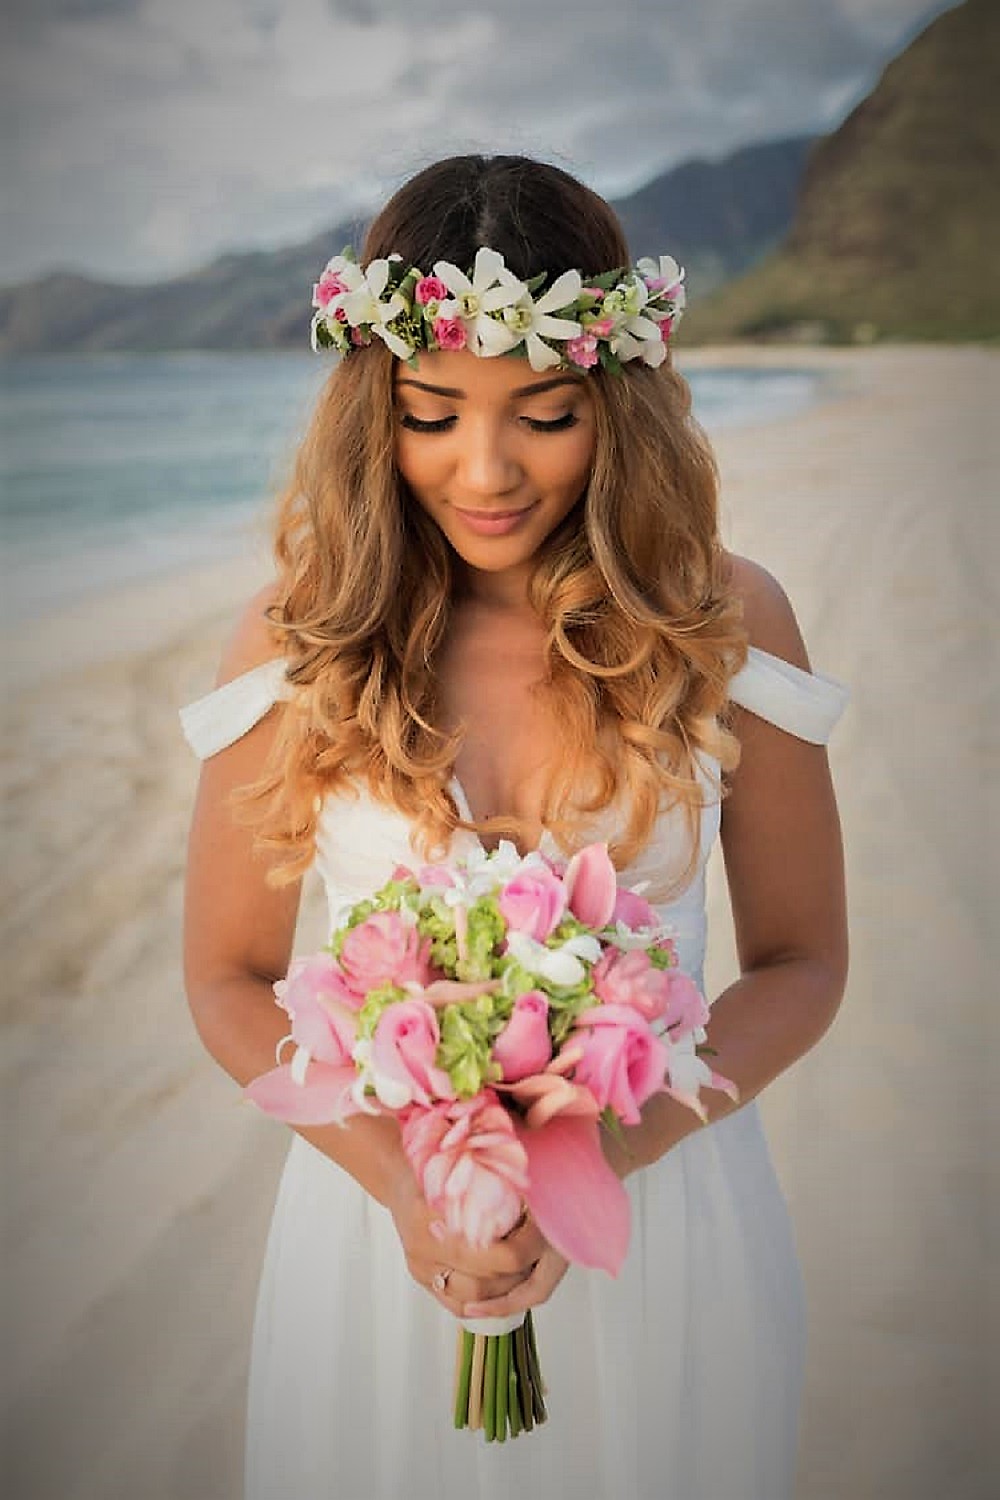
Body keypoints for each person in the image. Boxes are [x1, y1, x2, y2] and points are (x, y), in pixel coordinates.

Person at [180, 154, 849, 1500]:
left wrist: (600, 1154)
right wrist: (412, 1187)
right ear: (376, 409)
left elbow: (802, 962)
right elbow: (227, 975)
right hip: (387, 1240)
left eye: (544, 413)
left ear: (618, 400)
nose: (484, 469)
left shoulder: (723, 620)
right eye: (432, 413)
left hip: (661, 1218)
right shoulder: (297, 638)